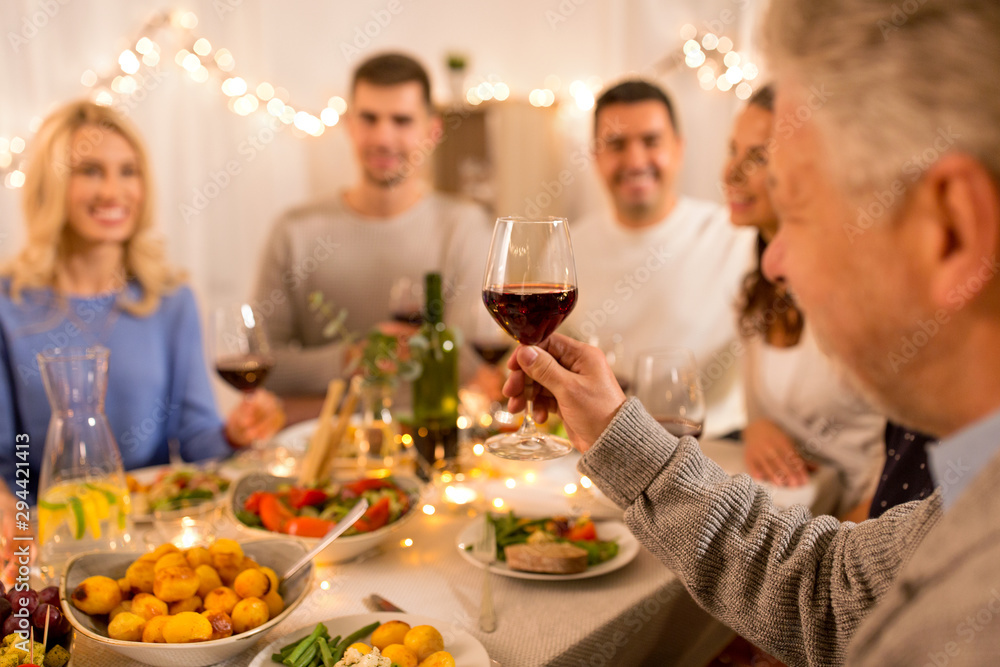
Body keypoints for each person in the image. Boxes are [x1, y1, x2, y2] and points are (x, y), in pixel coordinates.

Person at [501, 0, 1000, 663]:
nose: (771, 258)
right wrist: (614, 429)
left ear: (951, 231)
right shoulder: (970, 492)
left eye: (796, 206)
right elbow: (826, 589)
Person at [0, 101, 283, 577]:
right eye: (90, 171)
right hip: (37, 543)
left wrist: (236, 432)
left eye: (128, 171)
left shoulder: (169, 299)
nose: (114, 190)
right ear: (51, 184)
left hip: (147, 540)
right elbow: (8, 456)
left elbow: (196, 443)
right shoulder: (9, 304)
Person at [254, 52, 492, 417]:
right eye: (369, 118)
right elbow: (263, 367)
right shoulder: (295, 231)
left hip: (440, 442)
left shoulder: (464, 225)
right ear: (349, 125)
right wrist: (350, 358)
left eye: (401, 120)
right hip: (324, 450)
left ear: (433, 130)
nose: (383, 137)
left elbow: (473, 365)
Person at [561, 80, 756, 438]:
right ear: (595, 155)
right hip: (606, 447)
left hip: (717, 444)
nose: (635, 161)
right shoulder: (568, 246)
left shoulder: (735, 237)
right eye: (617, 144)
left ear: (679, 150)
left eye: (651, 142)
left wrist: (766, 424)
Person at [723, 85, 885, 516]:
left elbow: (908, 460)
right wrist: (757, 429)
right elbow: (757, 407)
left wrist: (835, 556)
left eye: (757, 157)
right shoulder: (757, 283)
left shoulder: (860, 294)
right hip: (791, 508)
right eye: (732, 150)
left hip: (862, 521)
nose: (730, 173)